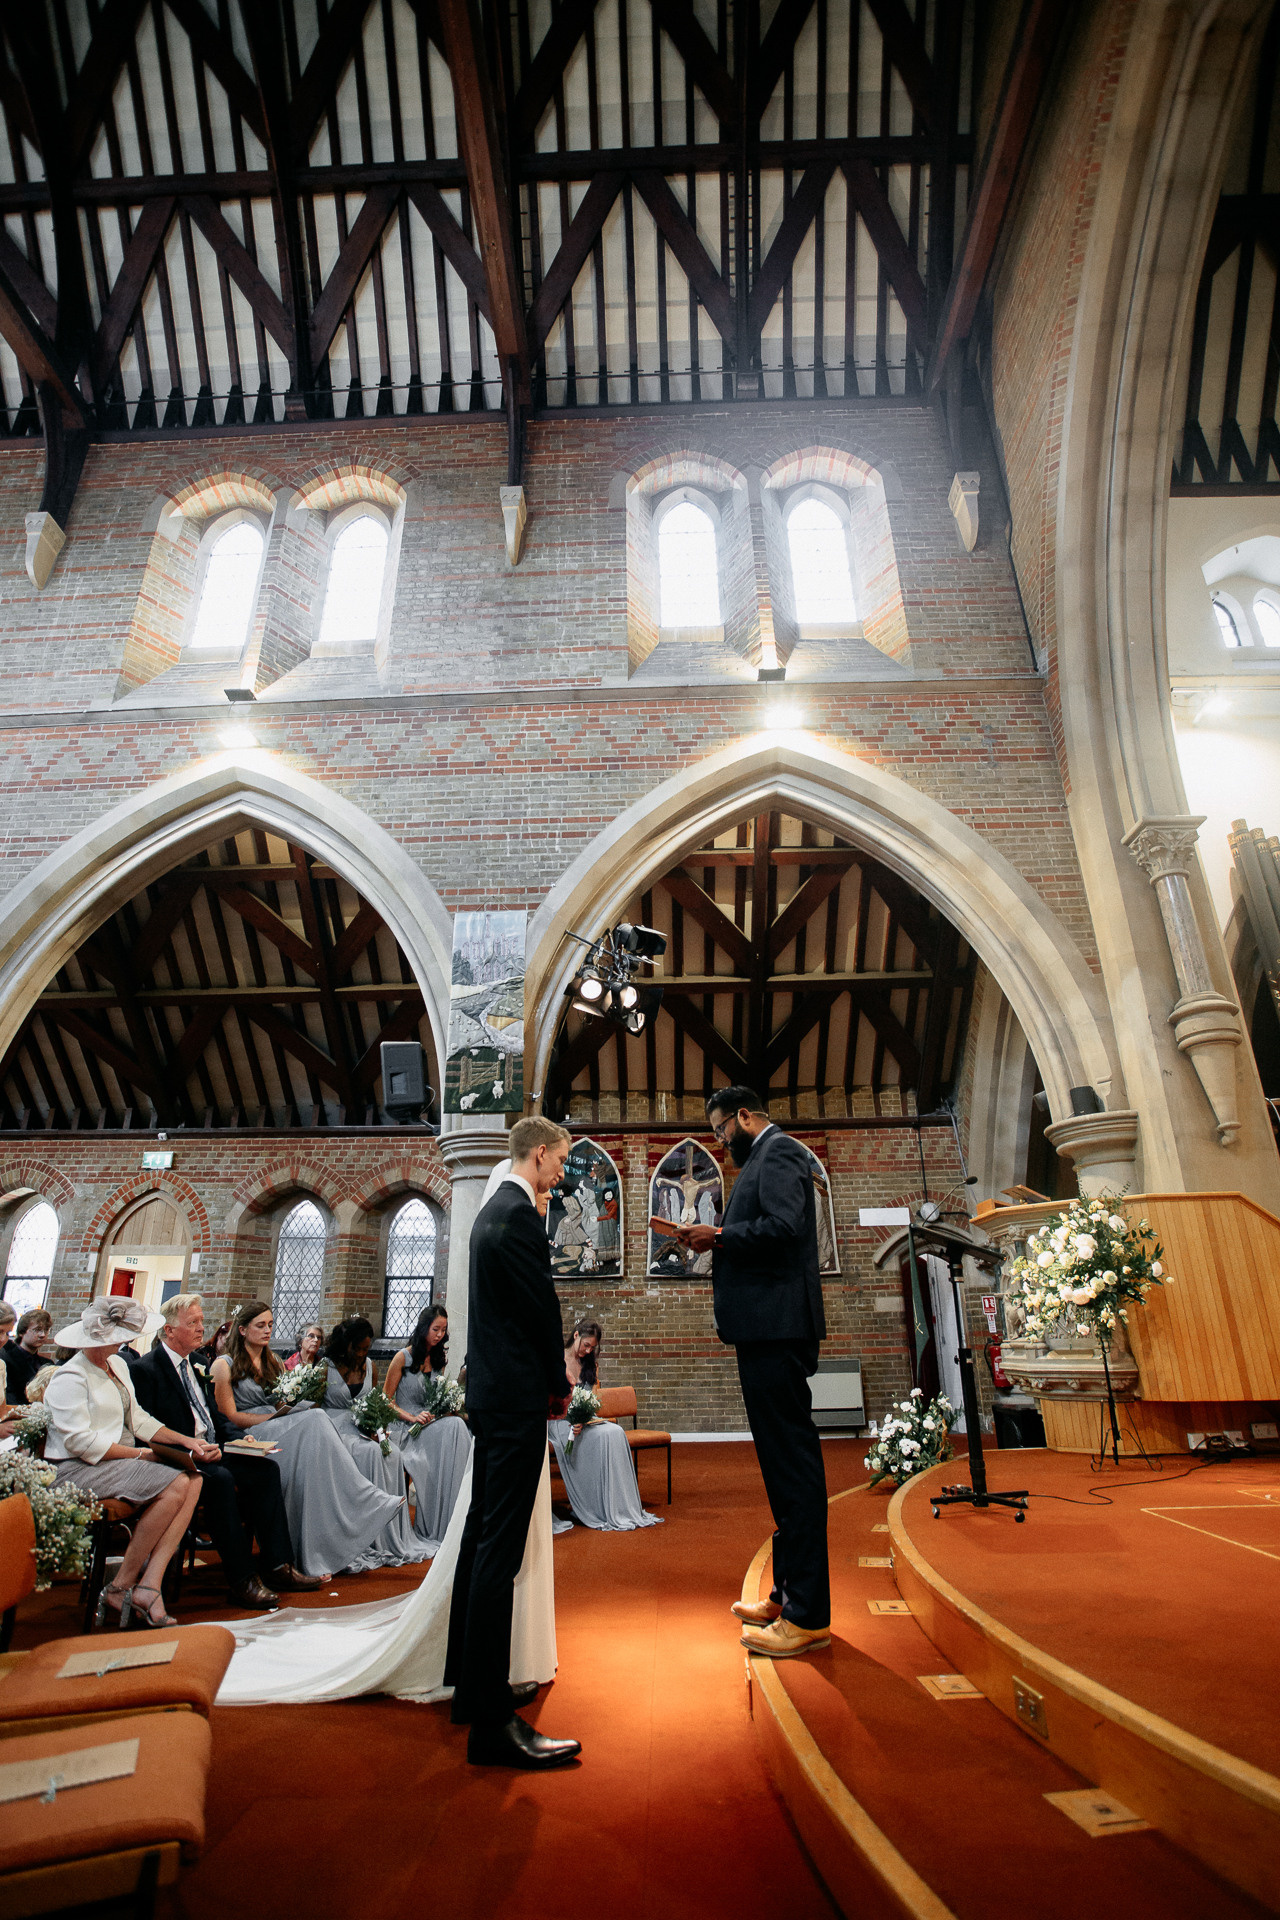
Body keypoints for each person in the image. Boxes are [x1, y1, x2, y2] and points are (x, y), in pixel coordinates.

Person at [443, 1115, 581, 1770]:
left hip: (491, 1395)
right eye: (560, 1160)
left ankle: (472, 1689)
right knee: (500, 1551)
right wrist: (558, 1385)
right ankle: (492, 1726)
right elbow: (538, 1309)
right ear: (539, 1152)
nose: (562, 1172)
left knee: (480, 1539)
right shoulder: (519, 1214)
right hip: (517, 1397)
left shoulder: (489, 1212)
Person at [677, 1086, 830, 1660]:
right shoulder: (763, 1160)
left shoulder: (781, 1151)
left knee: (792, 1467)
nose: (720, 1143)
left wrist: (716, 1236)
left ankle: (809, 1615)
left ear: (746, 1116)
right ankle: (788, 1595)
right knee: (779, 1465)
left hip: (778, 1328)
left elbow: (787, 1228)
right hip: (764, 1329)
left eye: (721, 1131)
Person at [132, 1292, 320, 1610]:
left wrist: (239, 1438)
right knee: (218, 1481)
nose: (200, 1328)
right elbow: (146, 1432)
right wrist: (191, 1449)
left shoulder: (198, 1363)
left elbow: (216, 1417)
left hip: (214, 1447)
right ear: (168, 1331)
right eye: (192, 1323)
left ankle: (278, 1565)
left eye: (201, 1321)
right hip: (180, 1456)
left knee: (264, 1470)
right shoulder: (146, 1369)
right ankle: (241, 1579)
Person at [42, 1298, 217, 1628]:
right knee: (177, 1482)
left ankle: (149, 1585)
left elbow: (138, 1419)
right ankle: (122, 1585)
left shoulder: (118, 1365)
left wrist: (184, 1440)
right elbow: (80, 1442)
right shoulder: (70, 1377)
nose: (123, 1340)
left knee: (195, 1480)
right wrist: (143, 1454)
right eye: (117, 1334)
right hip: (75, 1469)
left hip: (114, 1463)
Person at [210, 1301, 403, 1579]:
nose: (267, 1331)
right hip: (252, 1434)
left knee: (315, 1441)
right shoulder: (223, 1365)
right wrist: (273, 1418)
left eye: (271, 1325)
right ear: (242, 1330)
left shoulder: (273, 1361)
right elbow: (229, 1416)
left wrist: (290, 1405)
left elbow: (283, 1400)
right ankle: (365, 1497)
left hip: (280, 1425)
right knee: (316, 1418)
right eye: (260, 1325)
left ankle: (324, 1545)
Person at [318, 1317, 430, 1569]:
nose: (361, 1353)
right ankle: (363, 1534)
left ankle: (388, 1534)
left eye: (366, 1349)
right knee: (366, 1453)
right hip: (331, 1426)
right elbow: (314, 1408)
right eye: (357, 1348)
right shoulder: (326, 1367)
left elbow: (374, 1404)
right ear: (344, 1344)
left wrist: (379, 1429)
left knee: (393, 1455)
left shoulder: (370, 1366)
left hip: (362, 1426)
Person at [548, 1320, 661, 1532]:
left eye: (592, 1347)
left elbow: (588, 1398)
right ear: (576, 1336)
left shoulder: (588, 1364)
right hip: (558, 1422)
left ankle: (616, 1506)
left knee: (615, 1432)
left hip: (583, 1420)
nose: (588, 1350)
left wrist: (582, 1417)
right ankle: (588, 1504)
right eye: (586, 1345)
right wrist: (572, 1419)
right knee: (600, 1437)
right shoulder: (556, 1359)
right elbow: (551, 1398)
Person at [386, 1303, 473, 1551]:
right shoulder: (402, 1357)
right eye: (436, 1329)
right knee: (454, 1428)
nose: (440, 1335)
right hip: (404, 1427)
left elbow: (436, 1398)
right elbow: (385, 1400)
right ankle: (439, 1518)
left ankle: (452, 1518)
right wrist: (411, 1417)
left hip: (428, 1423)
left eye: (443, 1330)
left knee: (457, 1426)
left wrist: (445, 1409)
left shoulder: (438, 1360)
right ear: (424, 1327)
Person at [5, 1309, 53, 1405]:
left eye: (46, 1330)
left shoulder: (47, 1364)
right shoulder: (7, 1358)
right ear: (22, 1332)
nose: (42, 1335)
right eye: (37, 1330)